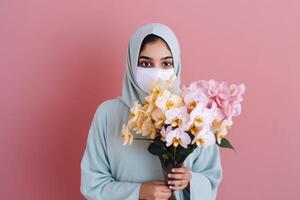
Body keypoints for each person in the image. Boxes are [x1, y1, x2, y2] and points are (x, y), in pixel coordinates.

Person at [80, 23, 223, 200]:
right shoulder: (108, 115)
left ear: (176, 65)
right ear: (132, 65)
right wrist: (138, 192)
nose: (156, 73)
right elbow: (92, 184)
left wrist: (190, 180)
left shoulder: (194, 115)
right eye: (146, 63)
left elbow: (211, 179)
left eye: (166, 63)